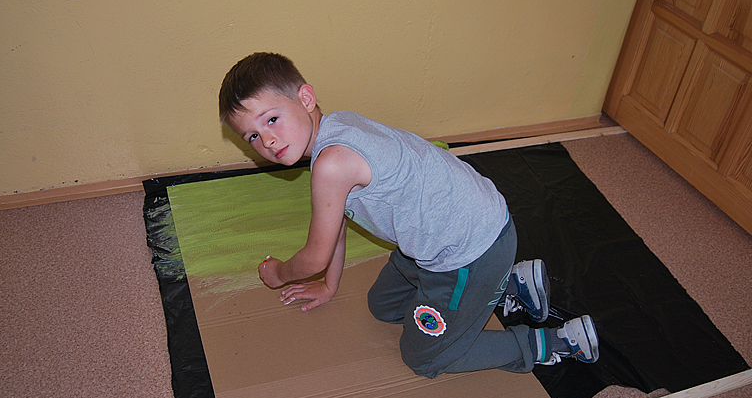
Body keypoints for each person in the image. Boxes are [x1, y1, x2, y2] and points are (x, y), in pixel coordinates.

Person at [218, 52, 598, 378]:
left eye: (271, 120)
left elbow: (314, 256)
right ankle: (515, 282)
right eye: (252, 136)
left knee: (423, 357)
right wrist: (329, 286)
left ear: (305, 98)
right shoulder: (336, 126)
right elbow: (337, 227)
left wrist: (279, 273)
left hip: (468, 254)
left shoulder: (332, 163)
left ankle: (553, 341)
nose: (267, 141)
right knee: (382, 307)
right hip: (451, 232)